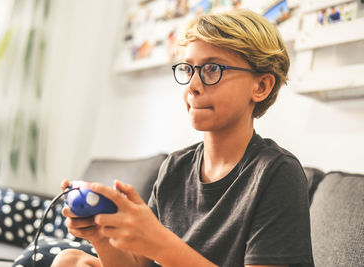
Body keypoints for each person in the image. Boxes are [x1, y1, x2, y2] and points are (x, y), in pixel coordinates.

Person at [52, 9, 314, 267]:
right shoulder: (175, 167)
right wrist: (101, 237)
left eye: (212, 69)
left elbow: (159, 248)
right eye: (188, 70)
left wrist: (159, 242)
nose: (193, 86)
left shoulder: (277, 173)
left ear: (261, 86)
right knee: (70, 259)